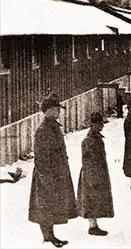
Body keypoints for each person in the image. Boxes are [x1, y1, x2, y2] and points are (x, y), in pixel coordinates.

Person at [29, 94, 77, 248]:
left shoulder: (53, 127)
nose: (59, 112)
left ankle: (51, 235)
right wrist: (45, 178)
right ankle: (48, 237)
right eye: (56, 109)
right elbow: (41, 157)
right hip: (47, 175)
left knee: (52, 205)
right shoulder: (43, 130)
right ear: (48, 110)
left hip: (57, 174)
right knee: (45, 206)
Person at [76, 112, 113, 236]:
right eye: (98, 124)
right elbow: (87, 161)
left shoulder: (96, 138)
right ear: (92, 125)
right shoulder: (88, 141)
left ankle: (94, 225)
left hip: (98, 173)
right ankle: (92, 226)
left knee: (95, 199)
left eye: (101, 124)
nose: (101, 126)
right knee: (91, 200)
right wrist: (92, 178)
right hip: (91, 174)